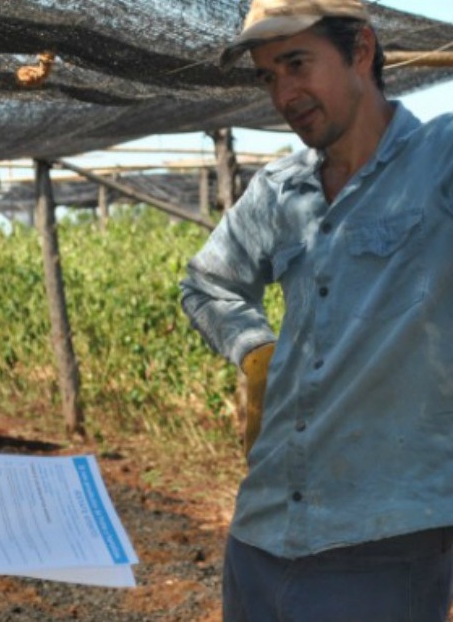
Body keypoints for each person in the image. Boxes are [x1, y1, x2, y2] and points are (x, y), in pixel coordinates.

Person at [180, 0, 453, 620]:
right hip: (259, 532)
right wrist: (254, 348)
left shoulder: (439, 163)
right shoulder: (281, 191)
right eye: (269, 75)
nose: (284, 93)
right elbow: (205, 284)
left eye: (297, 64)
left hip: (380, 547)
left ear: (361, 50)